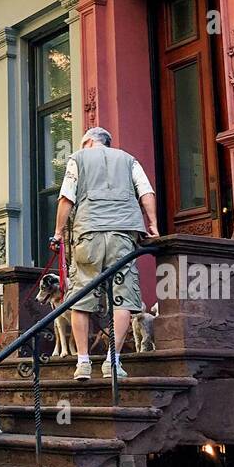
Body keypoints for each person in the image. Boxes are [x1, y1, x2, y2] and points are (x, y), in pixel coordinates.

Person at [52, 126, 160, 382]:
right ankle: (113, 360)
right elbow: (146, 191)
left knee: (82, 295)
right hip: (123, 233)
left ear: (88, 142)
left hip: (89, 232)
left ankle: (83, 363)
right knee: (122, 296)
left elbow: (66, 197)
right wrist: (153, 223)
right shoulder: (128, 160)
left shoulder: (77, 158)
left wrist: (57, 233)